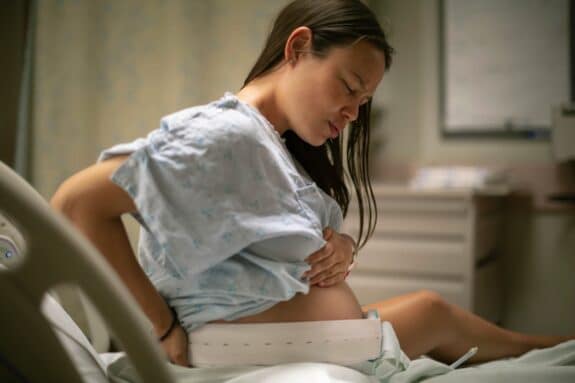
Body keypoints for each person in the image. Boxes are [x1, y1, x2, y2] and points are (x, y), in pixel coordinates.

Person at [51, 0, 573, 369]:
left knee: (437, 314)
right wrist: (160, 325)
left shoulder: (271, 146)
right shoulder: (229, 135)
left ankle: (554, 346)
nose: (351, 112)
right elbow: (77, 204)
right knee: (440, 317)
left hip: (295, 336)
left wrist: (341, 247)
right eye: (348, 87)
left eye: (362, 103)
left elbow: (259, 236)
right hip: (247, 347)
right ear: (298, 47)